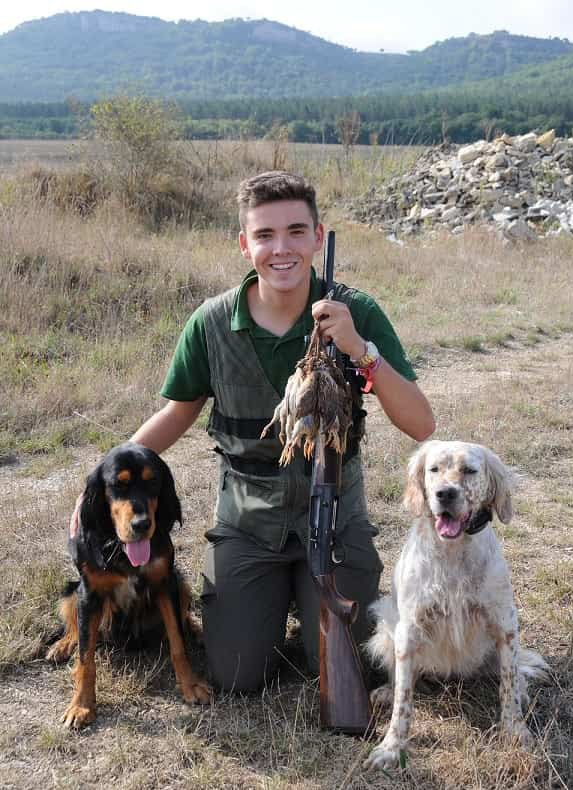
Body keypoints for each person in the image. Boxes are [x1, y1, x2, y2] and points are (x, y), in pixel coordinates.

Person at [71, 170, 435, 693]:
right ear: (245, 244)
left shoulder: (358, 313)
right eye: (264, 235)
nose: (280, 249)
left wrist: (360, 350)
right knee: (235, 674)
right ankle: (272, 602)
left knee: (347, 663)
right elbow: (176, 413)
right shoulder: (212, 323)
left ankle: (310, 609)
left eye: (294, 232)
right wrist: (101, 482)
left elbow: (421, 423)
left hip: (333, 516)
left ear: (317, 236)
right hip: (247, 522)